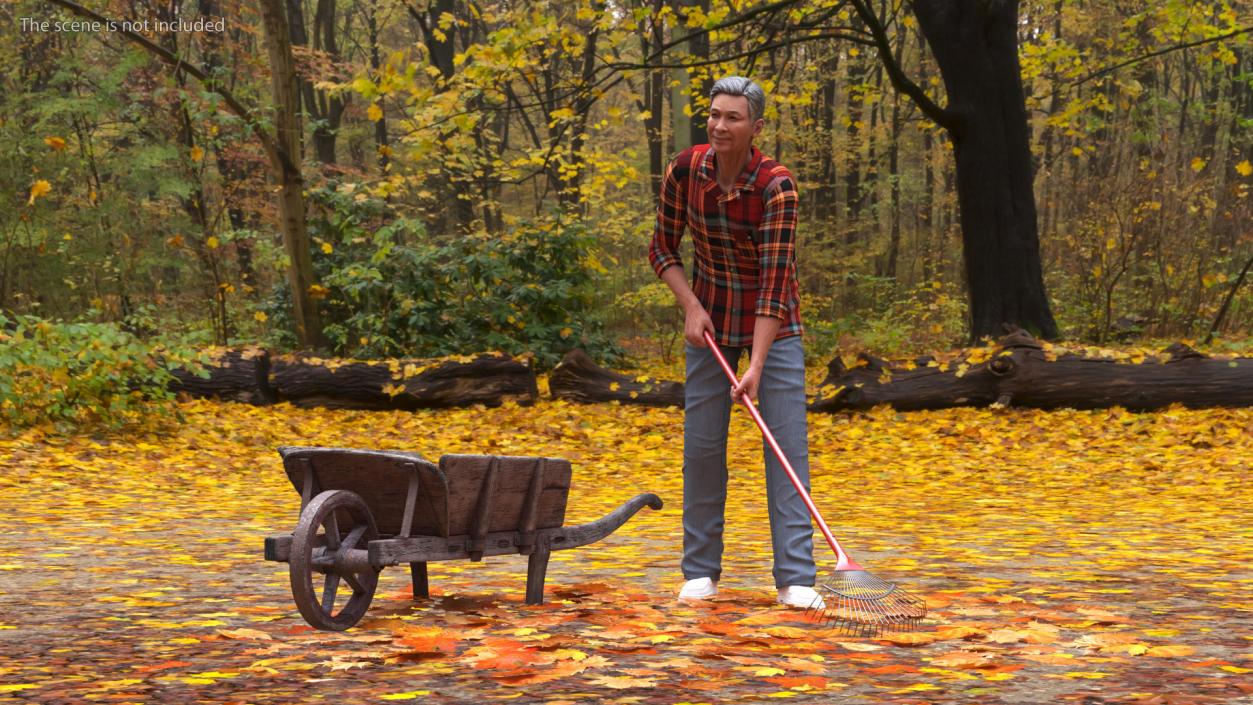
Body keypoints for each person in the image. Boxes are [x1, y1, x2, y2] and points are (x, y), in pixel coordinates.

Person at [648, 76, 822, 609]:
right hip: (710, 320)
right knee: (702, 447)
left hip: (775, 323)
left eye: (733, 118)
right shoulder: (685, 170)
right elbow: (661, 248)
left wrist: (759, 364)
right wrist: (692, 306)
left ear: (757, 128)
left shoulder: (777, 187)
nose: (720, 126)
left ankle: (796, 578)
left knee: (783, 446)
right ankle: (700, 571)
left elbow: (775, 284)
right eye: (714, 115)